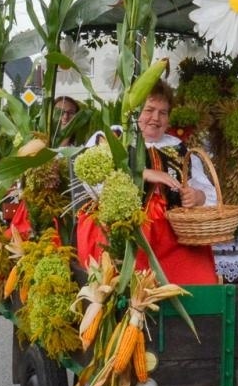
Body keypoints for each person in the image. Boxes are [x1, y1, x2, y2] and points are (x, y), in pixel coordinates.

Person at [78, 81, 220, 285]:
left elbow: (208, 191)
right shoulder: (113, 138)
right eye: (149, 110)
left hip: (173, 232)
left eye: (163, 112)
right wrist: (141, 174)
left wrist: (198, 196)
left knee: (199, 276)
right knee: (129, 279)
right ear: (134, 112)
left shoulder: (178, 148)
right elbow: (92, 182)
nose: (156, 118)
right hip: (123, 229)